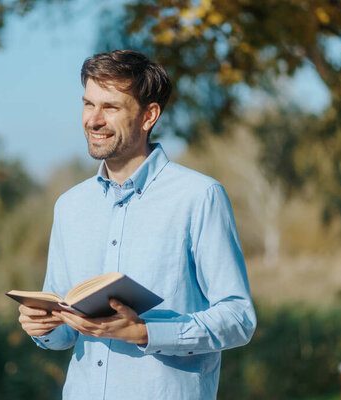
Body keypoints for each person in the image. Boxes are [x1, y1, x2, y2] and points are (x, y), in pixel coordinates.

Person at [18, 49, 256, 400]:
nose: (93, 120)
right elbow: (64, 333)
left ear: (149, 115)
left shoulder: (199, 196)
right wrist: (43, 327)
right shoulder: (69, 206)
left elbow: (238, 318)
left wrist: (145, 332)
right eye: (88, 104)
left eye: (110, 107)